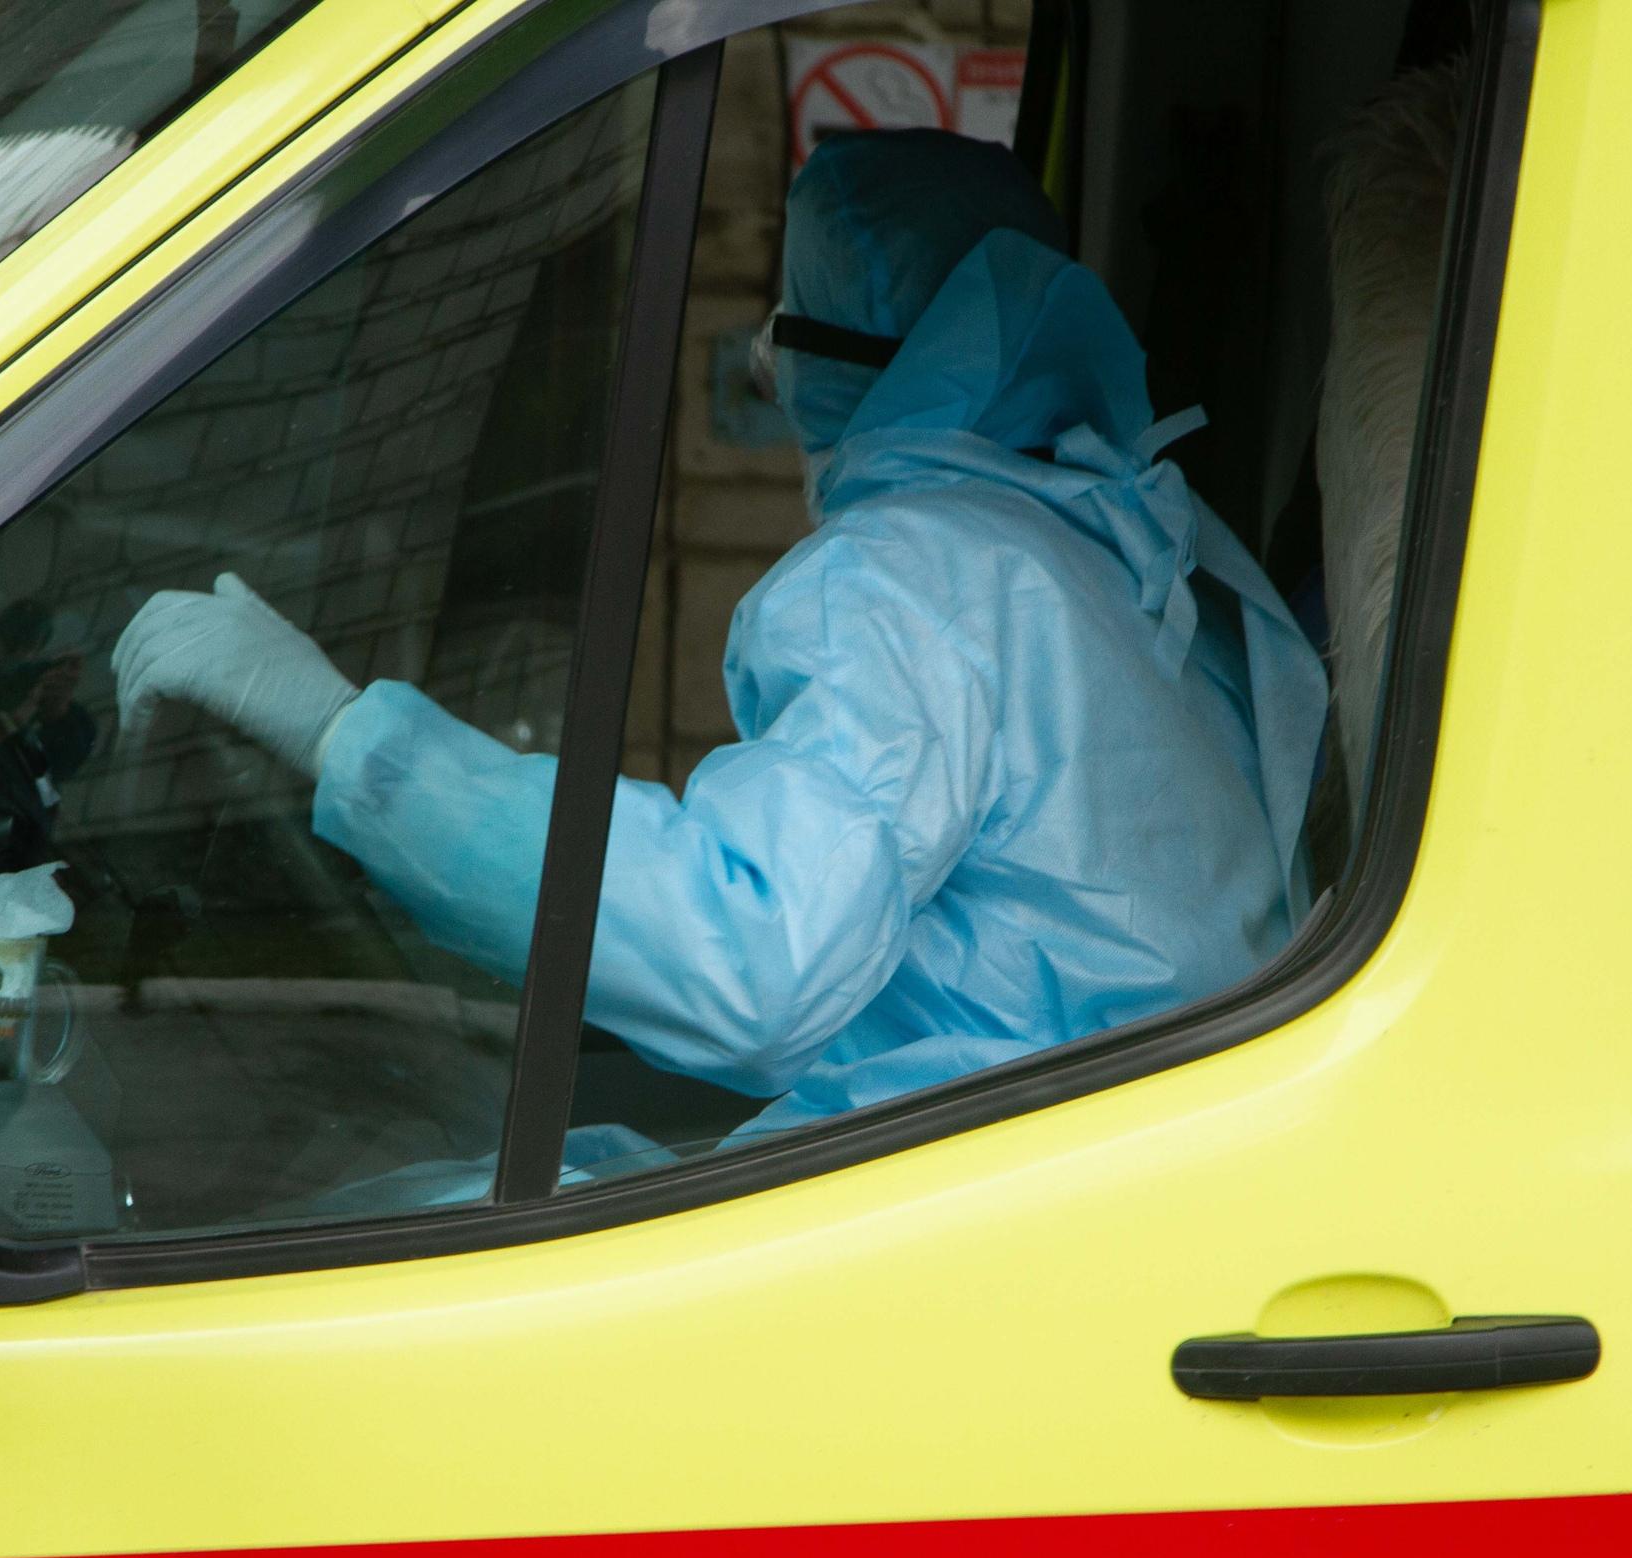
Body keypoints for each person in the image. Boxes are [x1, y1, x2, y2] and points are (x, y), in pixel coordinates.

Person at [113, 129, 1327, 1183]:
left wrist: (347, 739)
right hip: (1116, 1167)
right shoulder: (1135, 553)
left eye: (780, 326)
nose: (764, 365)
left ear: (848, 357)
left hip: (986, 1197)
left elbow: (757, 959)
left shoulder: (908, 577)